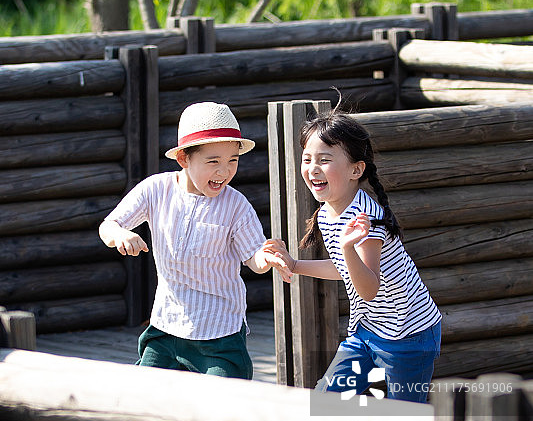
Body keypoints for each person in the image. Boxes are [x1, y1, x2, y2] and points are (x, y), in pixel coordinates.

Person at [266, 103, 441, 403]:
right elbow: (344, 269)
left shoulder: (366, 218)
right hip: (366, 332)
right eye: (307, 159)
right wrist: (294, 264)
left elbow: (368, 288)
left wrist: (348, 248)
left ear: (356, 170)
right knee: (326, 402)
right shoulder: (327, 213)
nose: (313, 168)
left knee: (405, 416)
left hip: (409, 335)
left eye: (324, 160)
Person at [99, 101, 286, 379]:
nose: (224, 171)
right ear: (184, 159)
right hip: (166, 324)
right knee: (143, 393)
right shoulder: (156, 189)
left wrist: (267, 256)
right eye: (213, 161)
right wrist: (121, 234)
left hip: (219, 332)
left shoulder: (236, 205)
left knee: (227, 400)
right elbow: (108, 226)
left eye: (233, 161)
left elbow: (254, 259)